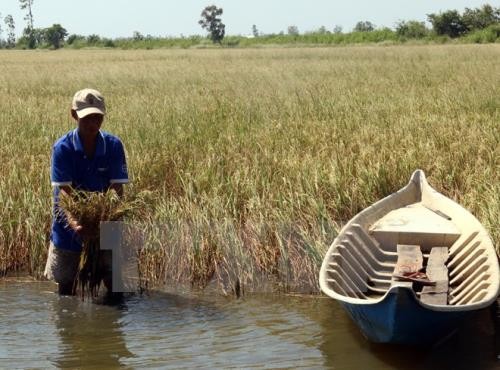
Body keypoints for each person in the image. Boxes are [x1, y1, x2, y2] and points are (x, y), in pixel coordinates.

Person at [44, 88, 129, 296]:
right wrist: (76, 225)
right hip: (68, 223)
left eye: (97, 118)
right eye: (87, 118)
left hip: (104, 221)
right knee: (66, 286)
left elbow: (117, 189)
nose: (93, 124)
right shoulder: (63, 148)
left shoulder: (113, 145)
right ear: (74, 115)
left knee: (114, 282)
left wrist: (108, 220)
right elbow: (65, 194)